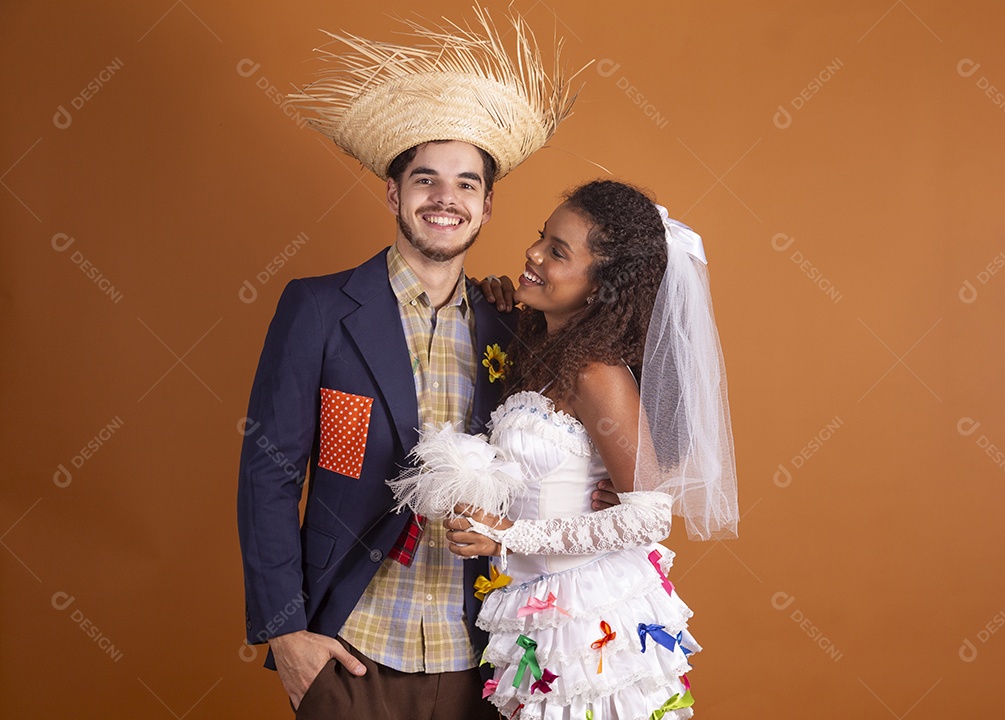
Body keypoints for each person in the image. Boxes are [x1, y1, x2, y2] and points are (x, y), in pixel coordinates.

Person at [236, 8, 588, 719]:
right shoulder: (318, 309)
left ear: (487, 206)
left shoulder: (513, 327)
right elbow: (268, 474)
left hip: (484, 651)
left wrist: (602, 497)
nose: (445, 199)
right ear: (394, 193)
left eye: (466, 184)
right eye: (426, 180)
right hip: (352, 647)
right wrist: (285, 633)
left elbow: (551, 460)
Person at [392, 180, 739, 719]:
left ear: (600, 288)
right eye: (541, 237)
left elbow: (650, 517)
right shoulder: (539, 346)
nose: (532, 253)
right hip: (534, 608)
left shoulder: (596, 373)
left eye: (557, 251)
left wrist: (509, 535)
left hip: (586, 619)